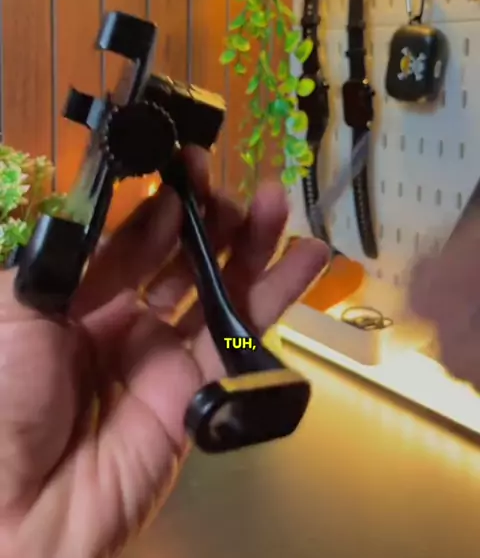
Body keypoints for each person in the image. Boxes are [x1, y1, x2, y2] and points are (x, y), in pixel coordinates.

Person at [0, 146, 328, 557]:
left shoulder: (233, 339)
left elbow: (233, 338)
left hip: (220, 339)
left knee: (231, 334)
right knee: (229, 332)